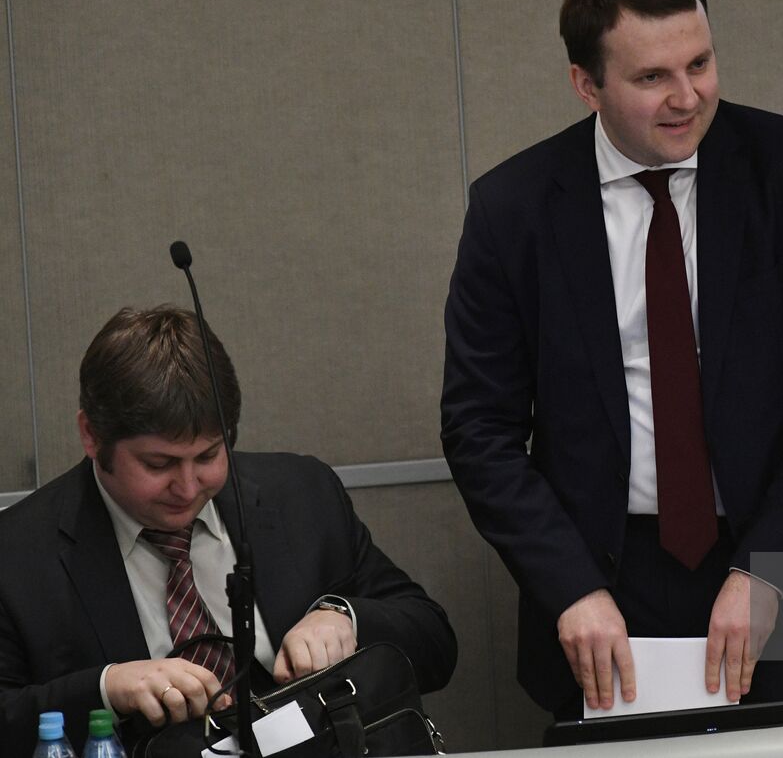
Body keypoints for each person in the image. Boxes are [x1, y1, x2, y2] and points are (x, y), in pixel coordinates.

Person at [441, 0, 783, 719]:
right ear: (587, 84)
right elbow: (478, 426)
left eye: (702, 63)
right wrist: (568, 584)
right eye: (652, 78)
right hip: (604, 580)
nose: (688, 97)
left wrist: (767, 569)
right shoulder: (513, 209)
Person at [0, 306, 457, 755]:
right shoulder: (19, 553)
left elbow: (435, 645)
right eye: (158, 464)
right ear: (91, 436)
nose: (187, 486)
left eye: (208, 456)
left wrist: (344, 617)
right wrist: (106, 688)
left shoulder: (302, 496)